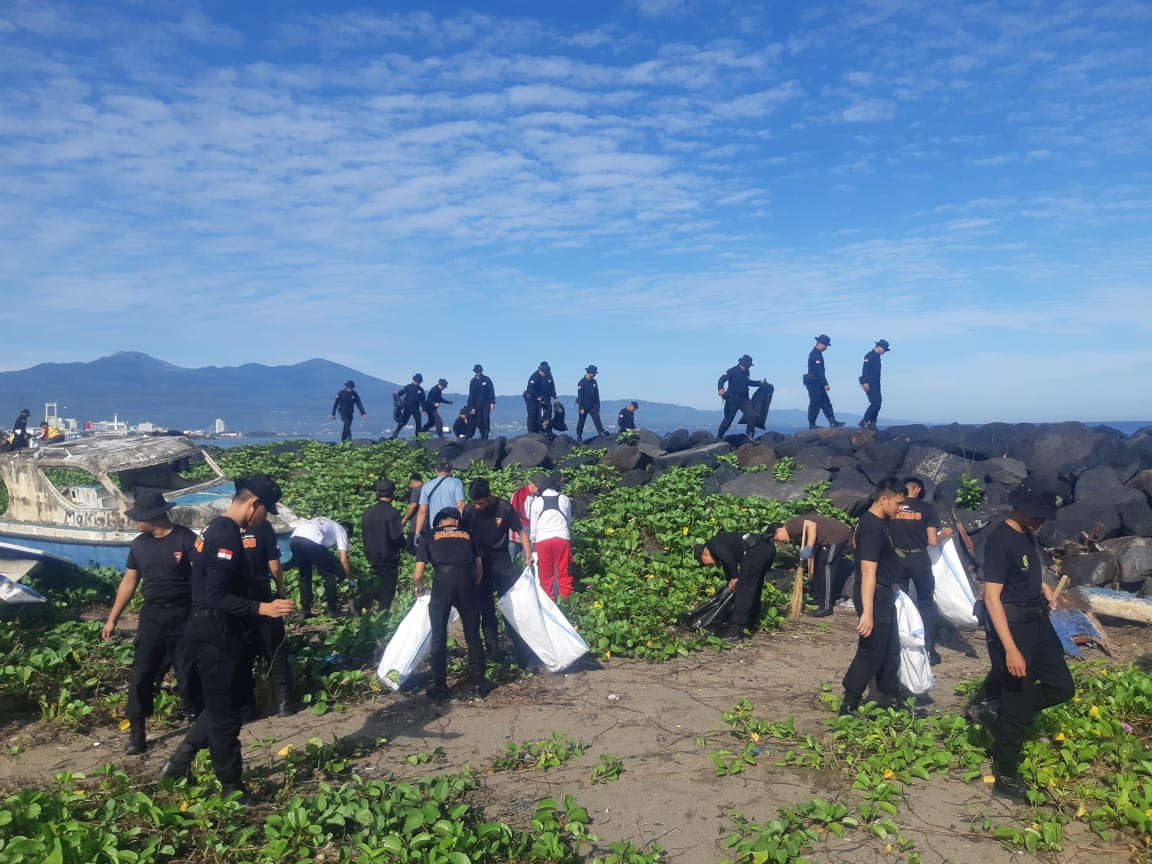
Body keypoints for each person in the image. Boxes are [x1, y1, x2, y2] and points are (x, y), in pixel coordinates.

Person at [156, 475, 295, 797]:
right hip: (216, 632)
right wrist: (263, 609)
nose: (265, 519)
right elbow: (215, 594)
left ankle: (179, 762)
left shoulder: (216, 530)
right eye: (266, 511)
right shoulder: (225, 534)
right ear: (254, 504)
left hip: (221, 629)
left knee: (227, 702)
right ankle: (232, 787)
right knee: (227, 717)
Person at [969, 481, 1074, 802]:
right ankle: (1006, 776)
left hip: (1038, 622)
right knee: (1018, 702)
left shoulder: (1028, 533)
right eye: (1038, 515)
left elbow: (1028, 569)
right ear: (1020, 508)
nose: (1042, 520)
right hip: (1011, 629)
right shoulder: (1000, 540)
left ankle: (992, 708)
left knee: (1062, 687)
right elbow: (992, 597)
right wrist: (1011, 649)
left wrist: (1041, 587)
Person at [101, 491, 202, 755]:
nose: (135, 522)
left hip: (185, 615)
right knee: (142, 674)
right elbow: (129, 582)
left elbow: (204, 577)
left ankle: (196, 721)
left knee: (188, 672)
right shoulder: (139, 545)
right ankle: (138, 732)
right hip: (153, 617)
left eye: (138, 517)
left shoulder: (186, 538)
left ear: (153, 517)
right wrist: (112, 618)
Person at [839, 477, 905, 716]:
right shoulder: (872, 527)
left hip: (884, 592)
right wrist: (867, 612)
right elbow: (868, 571)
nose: (900, 509)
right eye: (898, 504)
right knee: (871, 649)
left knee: (890, 647)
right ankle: (849, 703)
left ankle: (890, 695)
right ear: (883, 499)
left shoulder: (880, 522)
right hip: (873, 595)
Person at [413, 507, 489, 701]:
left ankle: (441, 688)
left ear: (438, 523)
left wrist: (419, 589)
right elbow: (479, 569)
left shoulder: (428, 536)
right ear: (456, 521)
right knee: (472, 634)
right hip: (467, 581)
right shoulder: (471, 535)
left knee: (439, 635)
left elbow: (418, 574)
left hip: (442, 582)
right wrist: (471, 583)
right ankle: (479, 685)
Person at [461, 478, 535, 668]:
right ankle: (493, 654)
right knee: (486, 609)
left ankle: (524, 657)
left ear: (489, 497)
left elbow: (521, 532)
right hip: (479, 562)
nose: (476, 506)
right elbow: (462, 534)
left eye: (480, 503)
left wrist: (528, 555)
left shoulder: (504, 508)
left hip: (501, 561)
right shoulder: (469, 510)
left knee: (510, 609)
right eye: (473, 502)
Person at [890, 476, 952, 665]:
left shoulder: (894, 506)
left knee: (900, 602)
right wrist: (945, 534)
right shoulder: (926, 509)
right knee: (925, 603)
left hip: (897, 557)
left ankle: (899, 646)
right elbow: (932, 541)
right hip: (919, 559)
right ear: (917, 489)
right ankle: (929, 650)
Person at [240, 519, 294, 718]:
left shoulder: (221, 528)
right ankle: (283, 703)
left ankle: (247, 708)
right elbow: (275, 567)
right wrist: (281, 592)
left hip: (235, 601)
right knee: (275, 650)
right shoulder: (263, 527)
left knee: (242, 654)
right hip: (262, 595)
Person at [694, 531, 776, 641]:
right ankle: (750, 621)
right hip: (767, 548)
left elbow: (728, 559)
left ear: (704, 554)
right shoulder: (720, 543)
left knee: (744, 589)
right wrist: (730, 581)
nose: (708, 566)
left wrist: (735, 577)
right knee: (753, 587)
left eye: (705, 563)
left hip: (755, 551)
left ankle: (737, 629)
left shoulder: (712, 545)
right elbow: (728, 565)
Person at [773, 513, 853, 617]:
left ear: (779, 530)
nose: (781, 541)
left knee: (826, 567)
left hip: (835, 535)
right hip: (825, 540)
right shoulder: (794, 536)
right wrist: (811, 577)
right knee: (819, 566)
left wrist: (809, 546)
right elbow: (811, 555)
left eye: (778, 538)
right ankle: (819, 599)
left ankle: (826, 607)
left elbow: (811, 525)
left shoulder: (791, 526)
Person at [288, 516, 353, 617]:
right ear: (347, 530)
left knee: (305, 575)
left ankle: (305, 611)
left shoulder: (327, 522)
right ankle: (332, 610)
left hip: (295, 539)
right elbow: (343, 559)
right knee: (329, 575)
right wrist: (350, 579)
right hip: (311, 539)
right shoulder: (341, 531)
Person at [361, 479, 405, 612]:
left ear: (377, 493)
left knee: (382, 583)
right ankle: (382, 615)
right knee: (388, 589)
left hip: (372, 553)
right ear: (394, 493)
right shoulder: (393, 513)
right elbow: (395, 536)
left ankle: (361, 602)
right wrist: (405, 545)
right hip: (388, 555)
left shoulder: (368, 512)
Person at [528, 473, 573, 600]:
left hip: (543, 540)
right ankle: (567, 602)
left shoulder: (536, 502)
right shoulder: (564, 499)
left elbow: (534, 527)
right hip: (562, 537)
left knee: (545, 575)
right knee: (564, 572)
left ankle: (549, 602)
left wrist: (533, 541)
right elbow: (568, 521)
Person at [717, 354, 767, 440]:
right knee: (728, 420)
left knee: (751, 415)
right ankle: (719, 437)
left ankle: (750, 435)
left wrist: (759, 383)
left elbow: (747, 382)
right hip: (732, 399)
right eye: (748, 365)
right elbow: (721, 379)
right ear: (743, 364)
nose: (749, 367)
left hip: (744, 399)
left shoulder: (747, 372)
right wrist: (721, 388)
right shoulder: (732, 371)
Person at [414, 461, 466, 541]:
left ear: (436, 471)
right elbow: (460, 505)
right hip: (452, 526)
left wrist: (417, 533)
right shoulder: (456, 482)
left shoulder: (426, 486)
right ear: (452, 471)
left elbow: (422, 511)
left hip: (435, 528)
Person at [805, 335, 846, 429]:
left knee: (826, 403)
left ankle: (832, 422)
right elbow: (819, 371)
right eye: (826, 345)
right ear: (821, 344)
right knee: (815, 403)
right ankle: (812, 424)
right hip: (815, 384)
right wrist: (825, 384)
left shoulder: (817, 353)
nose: (826, 347)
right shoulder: (816, 355)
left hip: (817, 383)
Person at [508, 473, 542, 565]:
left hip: (530, 537)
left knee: (530, 563)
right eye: (539, 487)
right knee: (509, 563)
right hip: (515, 536)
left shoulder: (539, 496)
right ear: (532, 484)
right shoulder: (519, 493)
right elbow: (518, 513)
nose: (540, 489)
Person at [858, 340, 890, 430]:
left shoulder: (877, 357)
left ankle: (872, 423)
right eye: (884, 350)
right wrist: (865, 382)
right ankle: (865, 420)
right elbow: (865, 369)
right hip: (870, 383)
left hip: (876, 383)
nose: (884, 352)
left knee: (878, 403)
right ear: (879, 347)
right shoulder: (870, 356)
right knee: (875, 403)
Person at [524, 361, 558, 436]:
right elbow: (530, 388)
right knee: (533, 414)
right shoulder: (535, 376)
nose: (544, 374)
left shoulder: (549, 376)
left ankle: (547, 430)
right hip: (532, 397)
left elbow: (552, 388)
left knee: (548, 413)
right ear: (540, 371)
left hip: (545, 396)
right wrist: (537, 397)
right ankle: (532, 431)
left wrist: (555, 397)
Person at [575, 365, 605, 442]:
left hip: (592, 405)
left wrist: (598, 405)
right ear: (589, 373)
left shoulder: (594, 382)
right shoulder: (582, 382)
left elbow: (596, 394)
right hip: (584, 405)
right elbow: (580, 396)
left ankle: (601, 432)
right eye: (594, 373)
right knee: (581, 421)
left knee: (597, 418)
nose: (595, 375)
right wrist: (581, 407)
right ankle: (579, 436)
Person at [391, 374, 425, 439]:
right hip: (408, 407)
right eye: (417, 381)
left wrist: (424, 410)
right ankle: (396, 432)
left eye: (419, 381)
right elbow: (401, 393)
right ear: (414, 380)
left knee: (418, 422)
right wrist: (397, 393)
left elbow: (423, 400)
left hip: (416, 408)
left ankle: (418, 436)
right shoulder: (408, 387)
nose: (418, 382)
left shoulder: (421, 389)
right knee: (403, 422)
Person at [466, 364, 496, 440]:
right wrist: (471, 407)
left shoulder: (486, 379)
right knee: (479, 420)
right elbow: (471, 395)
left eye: (479, 371)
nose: (478, 372)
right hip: (476, 404)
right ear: (475, 372)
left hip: (486, 403)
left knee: (485, 418)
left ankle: (486, 433)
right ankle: (483, 434)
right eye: (477, 371)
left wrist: (492, 402)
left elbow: (491, 391)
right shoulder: (473, 381)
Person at [402, 473, 423, 553]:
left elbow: (413, 506)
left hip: (416, 525)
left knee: (411, 549)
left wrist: (404, 519)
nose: (410, 486)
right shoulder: (428, 489)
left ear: (413, 481)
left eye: (410, 484)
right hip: (427, 524)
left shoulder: (416, 490)